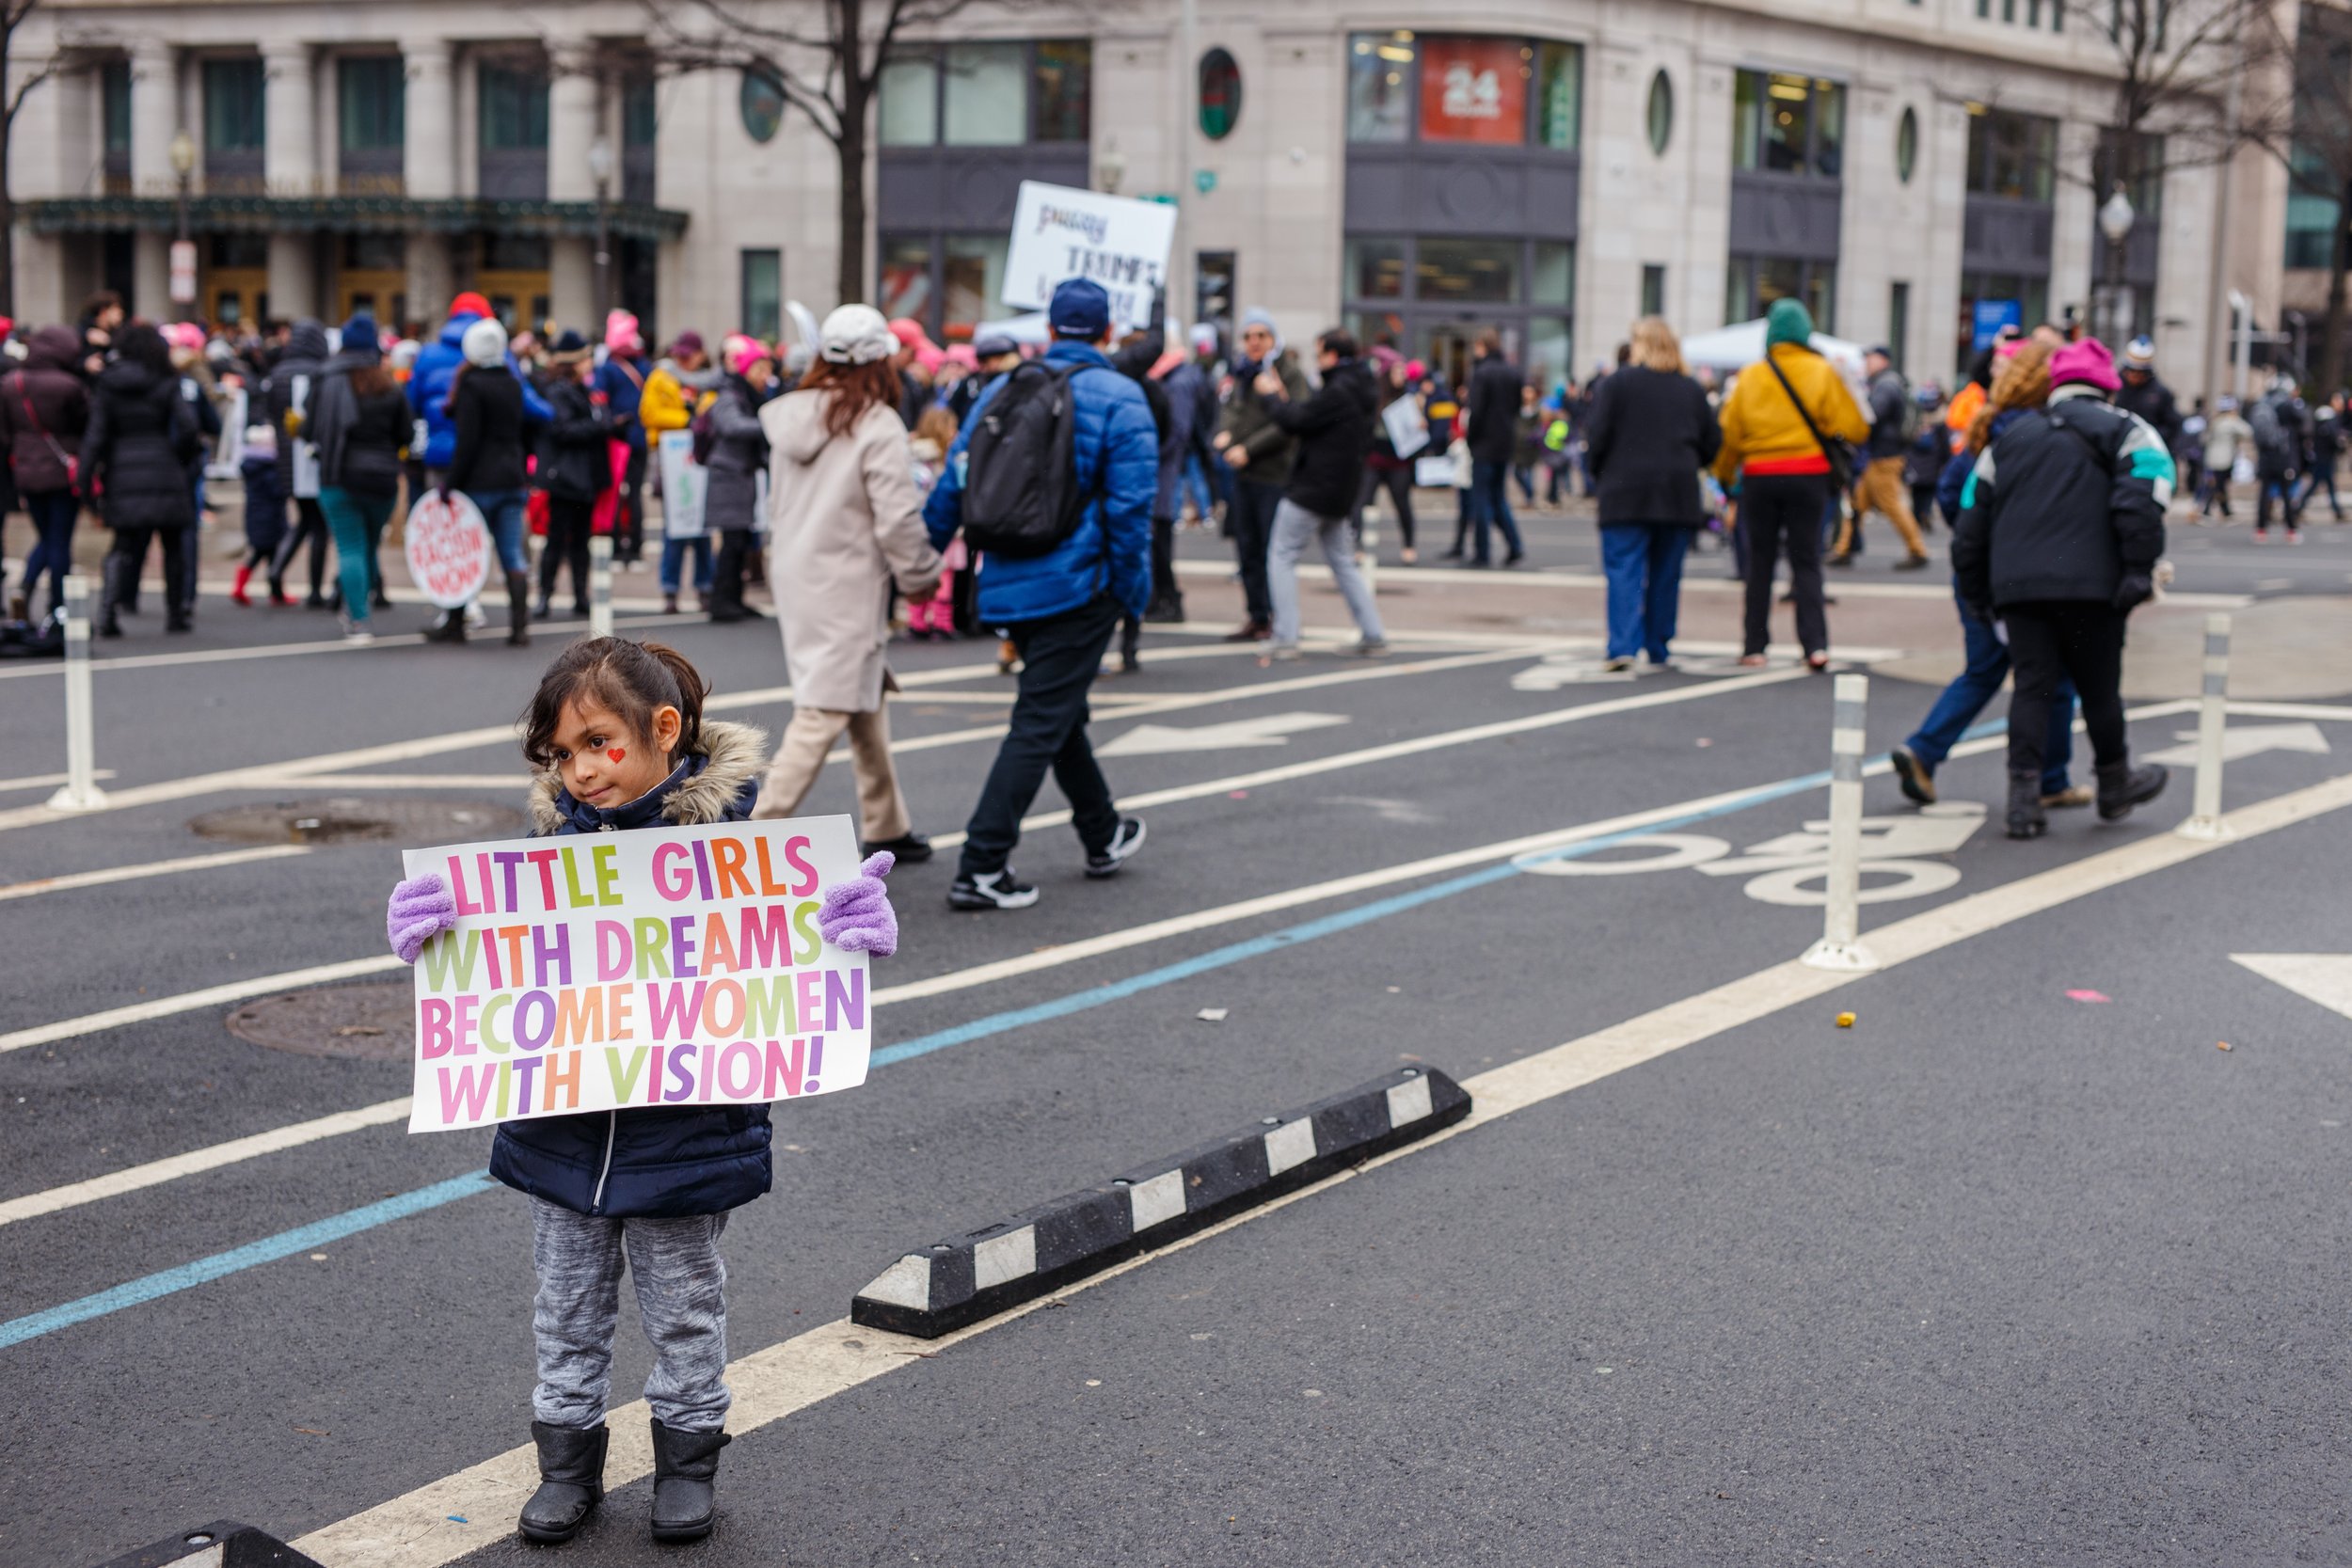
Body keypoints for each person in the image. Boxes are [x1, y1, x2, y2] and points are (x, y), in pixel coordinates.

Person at [381, 635, 902, 1547]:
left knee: (685, 1305)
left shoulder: (744, 854)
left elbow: (799, 951)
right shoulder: (541, 858)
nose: (581, 770)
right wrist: (428, 931)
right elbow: (490, 964)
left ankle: (687, 1462)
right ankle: (566, 1466)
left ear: (665, 730)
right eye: (563, 753)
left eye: (599, 744)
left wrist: (852, 927)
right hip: (562, 1133)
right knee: (566, 1308)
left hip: (687, 1133)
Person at [923, 277, 1155, 911]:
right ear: (1106, 332)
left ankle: (1102, 831)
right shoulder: (1122, 397)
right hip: (1081, 585)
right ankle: (982, 863)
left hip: (1006, 579)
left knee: (1058, 711)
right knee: (1040, 720)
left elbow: (956, 481)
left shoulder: (1002, 387)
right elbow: (1132, 513)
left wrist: (922, 559)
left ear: (1049, 330)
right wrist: (1134, 595)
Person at [1952, 338, 2171, 839]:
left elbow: (1972, 518)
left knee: (2032, 687)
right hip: (2092, 585)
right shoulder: (2129, 431)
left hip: (2019, 587)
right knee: (2099, 689)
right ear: (2107, 386)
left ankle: (2023, 802)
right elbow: (2145, 497)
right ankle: (2115, 785)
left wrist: (1977, 592)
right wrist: (2138, 568)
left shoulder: (2009, 439)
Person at [752, 304, 944, 858]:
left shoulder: (790, 413)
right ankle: (746, 835)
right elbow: (897, 516)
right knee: (824, 709)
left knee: (858, 696)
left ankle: (888, 823)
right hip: (849, 576)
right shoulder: (876, 421)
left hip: (799, 570)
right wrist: (921, 575)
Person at [1889, 341, 2087, 814]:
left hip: (1977, 571)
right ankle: (2049, 779)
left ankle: (1923, 750)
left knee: (1985, 670)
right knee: (2052, 678)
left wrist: (1978, 533)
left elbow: (1952, 492)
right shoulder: (2045, 431)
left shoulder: (1989, 424)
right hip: (2021, 575)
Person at [1712, 298, 1867, 672]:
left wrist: (1724, 474)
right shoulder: (1822, 371)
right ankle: (1814, 646)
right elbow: (1855, 426)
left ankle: (1755, 645)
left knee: (1760, 562)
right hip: (1809, 473)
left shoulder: (1750, 376)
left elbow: (1730, 435)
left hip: (1760, 475)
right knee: (1806, 559)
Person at [1583, 316, 1721, 671]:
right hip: (1676, 490)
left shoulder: (1618, 384)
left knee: (1624, 570)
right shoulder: (1690, 388)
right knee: (1665, 572)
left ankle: (1623, 645)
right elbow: (1712, 443)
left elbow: (1596, 437)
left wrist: (1598, 472)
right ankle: (1658, 645)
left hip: (1624, 488)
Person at [1253, 327, 1389, 660]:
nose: (1317, 360)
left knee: (1281, 556)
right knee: (1342, 562)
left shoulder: (1339, 390)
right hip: (1341, 490)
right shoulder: (1361, 386)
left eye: (1319, 353)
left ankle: (1286, 635)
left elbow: (1296, 420)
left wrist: (1271, 396)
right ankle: (1372, 632)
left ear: (1331, 355)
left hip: (1313, 487)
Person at [81, 322, 201, 637]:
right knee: (173, 545)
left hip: (123, 470)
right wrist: (180, 458)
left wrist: (87, 484)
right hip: (164, 466)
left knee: (123, 545)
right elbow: (189, 427)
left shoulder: (109, 382)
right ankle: (175, 614)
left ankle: (108, 612)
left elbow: (95, 437)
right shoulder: (166, 379)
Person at [308, 310, 410, 644]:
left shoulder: (324, 380)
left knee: (350, 546)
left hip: (337, 476)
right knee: (367, 544)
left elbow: (309, 429)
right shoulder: (390, 387)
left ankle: (359, 619)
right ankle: (358, 604)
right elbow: (406, 434)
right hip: (381, 479)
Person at [1212, 309, 1309, 640]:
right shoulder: (1242, 373)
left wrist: (1248, 448)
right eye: (1248, 336)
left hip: (1275, 474)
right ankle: (1257, 616)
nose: (1254, 343)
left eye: (1261, 336)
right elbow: (1230, 408)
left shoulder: (1288, 373)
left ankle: (1280, 618)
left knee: (1272, 551)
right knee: (1247, 548)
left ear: (1272, 339)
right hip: (1243, 474)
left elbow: (1289, 423)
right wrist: (1227, 434)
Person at [445, 315, 535, 646]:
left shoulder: (470, 386)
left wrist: (450, 482)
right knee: (512, 554)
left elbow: (467, 441)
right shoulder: (513, 382)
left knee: (462, 552)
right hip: (511, 477)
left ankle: (455, 622)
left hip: (479, 481)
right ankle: (519, 627)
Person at [0, 324, 91, 625]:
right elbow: (85, 426)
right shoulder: (68, 385)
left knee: (48, 535)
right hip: (62, 470)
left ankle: (26, 590)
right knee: (59, 538)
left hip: (26, 469)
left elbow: (5, 435)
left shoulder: (12, 383)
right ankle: (56, 605)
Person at [410, 291, 551, 485]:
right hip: (486, 464)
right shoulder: (500, 355)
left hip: (440, 457)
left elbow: (413, 404)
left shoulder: (427, 355)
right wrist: (552, 413)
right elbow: (527, 405)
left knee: (444, 515)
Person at [1832, 344, 1931, 569]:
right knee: (1857, 503)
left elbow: (1872, 417)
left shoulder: (1885, 385)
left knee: (1891, 505)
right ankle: (1844, 548)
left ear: (1883, 360)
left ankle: (1917, 549)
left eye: (1870, 358)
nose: (1866, 363)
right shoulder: (1887, 383)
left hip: (1884, 457)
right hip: (1880, 455)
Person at [643, 331, 722, 611]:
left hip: (700, 460)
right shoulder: (661, 377)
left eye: (688, 355)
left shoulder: (711, 381)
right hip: (672, 461)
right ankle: (670, 590)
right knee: (674, 528)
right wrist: (687, 420)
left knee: (702, 528)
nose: (682, 359)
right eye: (680, 354)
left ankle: (705, 587)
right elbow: (649, 413)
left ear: (700, 355)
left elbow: (715, 413)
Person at [536, 331, 612, 621]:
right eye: (586, 358)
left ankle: (580, 595)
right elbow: (563, 430)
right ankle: (545, 595)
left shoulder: (583, 390)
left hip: (585, 477)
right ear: (575, 362)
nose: (591, 362)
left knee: (581, 539)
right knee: (557, 538)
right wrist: (602, 425)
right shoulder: (558, 391)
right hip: (567, 478)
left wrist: (607, 423)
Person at [702, 337, 774, 624]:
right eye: (762, 370)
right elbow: (731, 427)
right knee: (731, 543)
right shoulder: (729, 396)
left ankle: (734, 599)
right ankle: (722, 602)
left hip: (739, 477)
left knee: (741, 540)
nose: (767, 377)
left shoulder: (745, 396)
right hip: (727, 477)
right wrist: (771, 423)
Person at [264, 319, 334, 608]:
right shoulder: (320, 372)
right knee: (319, 526)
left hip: (286, 460)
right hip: (313, 457)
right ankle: (315, 589)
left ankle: (276, 569)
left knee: (305, 520)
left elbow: (269, 414)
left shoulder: (277, 373)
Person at [1462, 330, 1528, 566]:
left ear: (1482, 346)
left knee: (1481, 499)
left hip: (1484, 444)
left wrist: (1471, 440)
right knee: (1498, 497)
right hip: (1504, 442)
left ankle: (1483, 552)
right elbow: (1517, 408)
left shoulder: (1481, 373)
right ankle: (1514, 544)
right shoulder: (1512, 372)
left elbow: (1476, 412)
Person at [596, 310, 652, 565]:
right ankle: (636, 546)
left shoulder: (608, 368)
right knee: (636, 493)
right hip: (641, 436)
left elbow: (599, 400)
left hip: (618, 438)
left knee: (617, 492)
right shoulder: (644, 365)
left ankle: (618, 545)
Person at [1358, 352, 1421, 564]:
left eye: (1403, 371)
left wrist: (1421, 424)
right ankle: (1357, 546)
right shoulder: (1375, 397)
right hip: (1375, 459)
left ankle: (1409, 545)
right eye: (1397, 371)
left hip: (1398, 461)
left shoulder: (1410, 398)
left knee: (1402, 504)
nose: (1401, 375)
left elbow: (1417, 433)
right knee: (1361, 503)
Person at [232, 421, 286, 606]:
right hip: (270, 519)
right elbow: (278, 492)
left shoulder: (251, 466)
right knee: (270, 557)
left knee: (261, 555)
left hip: (257, 517)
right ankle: (275, 593)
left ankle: (273, 592)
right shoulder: (268, 468)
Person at [2249, 376, 2307, 541]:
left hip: (2265, 456)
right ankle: (2291, 530)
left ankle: (2260, 529)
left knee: (2264, 493)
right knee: (2286, 494)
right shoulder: (2287, 405)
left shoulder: (2263, 403)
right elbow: (2301, 421)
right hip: (2283, 456)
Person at [2113, 337, 2183, 460]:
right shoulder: (2114, 387)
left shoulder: (2160, 393)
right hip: (2116, 448)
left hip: (2148, 452)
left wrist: (2149, 436)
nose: (2135, 376)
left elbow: (2172, 425)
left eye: (2140, 372)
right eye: (2131, 371)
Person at [2201, 396, 2252, 520]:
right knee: (2219, 485)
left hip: (2212, 458)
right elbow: (2248, 431)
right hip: (2224, 459)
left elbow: (2204, 439)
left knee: (2217, 485)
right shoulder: (2231, 422)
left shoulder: (2215, 421)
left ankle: (2220, 510)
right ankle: (2219, 510)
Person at [1903, 384, 1946, 535]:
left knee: (1916, 494)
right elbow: (1944, 445)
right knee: (1928, 493)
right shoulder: (1941, 421)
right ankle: (1925, 513)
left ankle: (1916, 518)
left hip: (1915, 465)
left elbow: (1907, 441)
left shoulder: (1915, 420)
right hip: (1932, 465)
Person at [2298, 397, 2345, 522]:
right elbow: (2333, 440)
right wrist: (2340, 447)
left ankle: (2337, 511)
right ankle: (2297, 509)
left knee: (2326, 487)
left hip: (2324, 459)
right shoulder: (2328, 425)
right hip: (2324, 460)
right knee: (2317, 486)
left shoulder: (2323, 425)